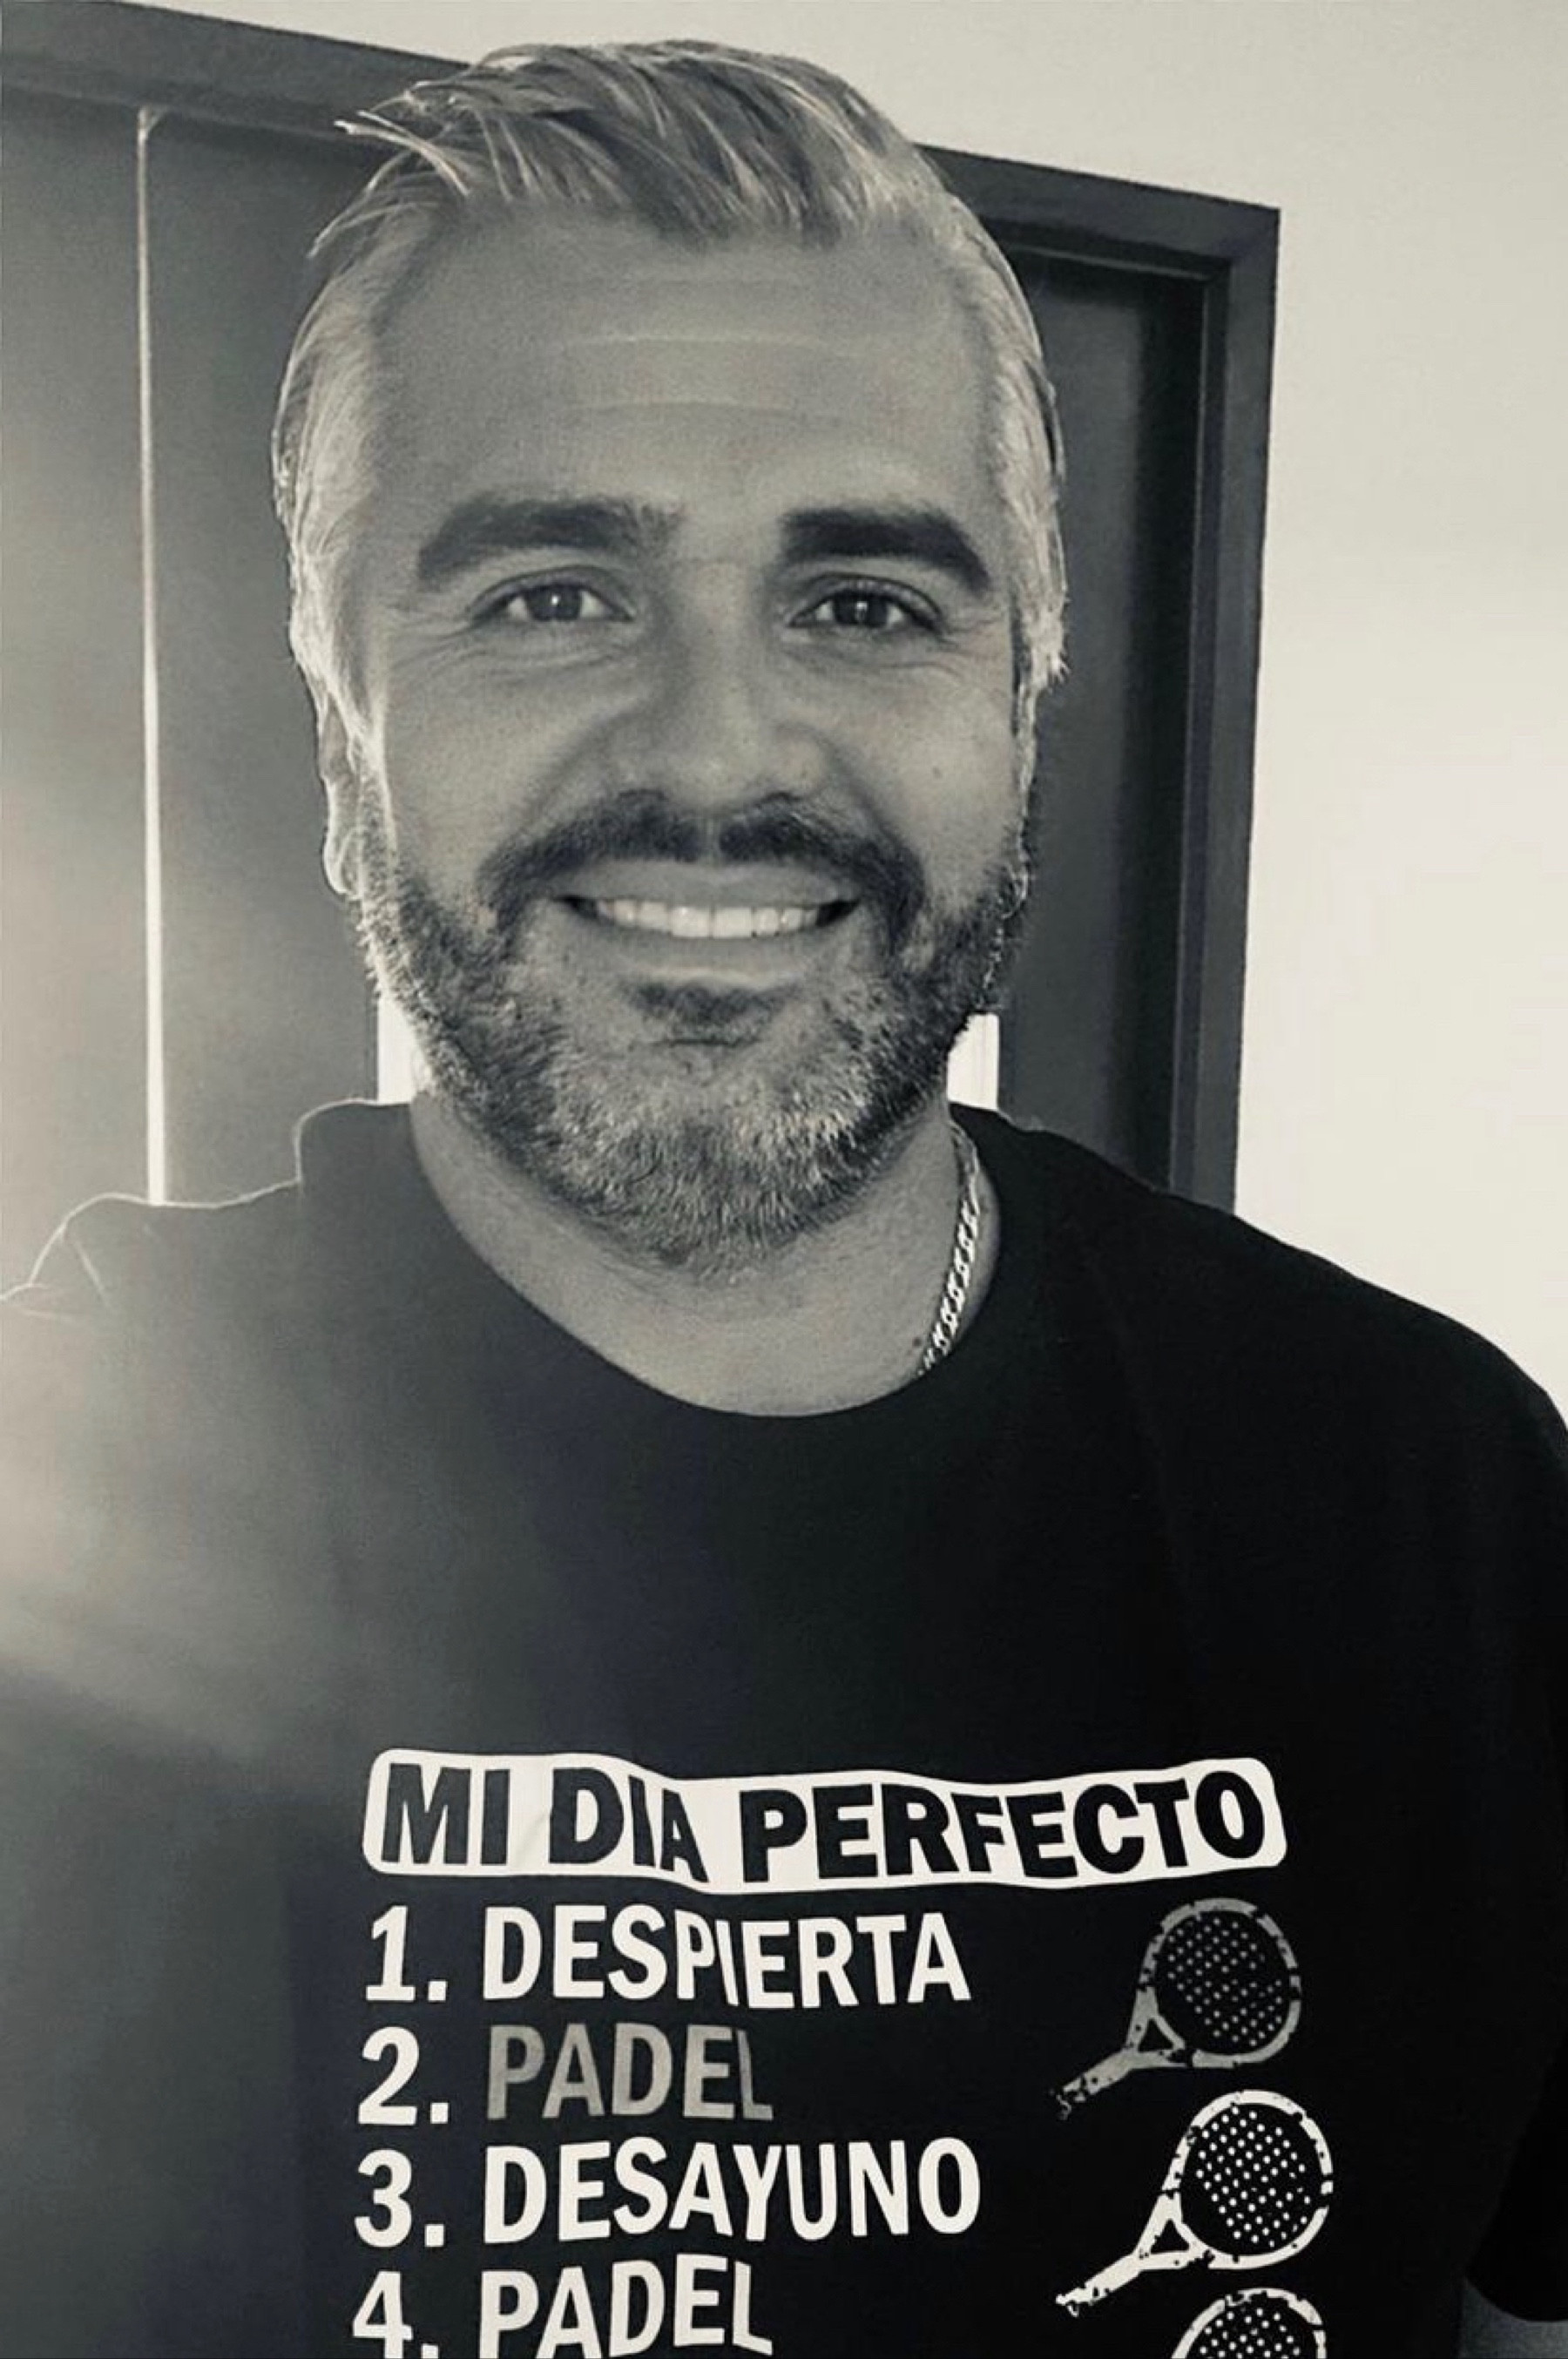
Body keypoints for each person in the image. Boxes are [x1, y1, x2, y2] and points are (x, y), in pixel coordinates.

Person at [2, 38, 1564, 2359]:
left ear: (1023, 700)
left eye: (868, 603)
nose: (718, 753)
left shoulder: (1434, 1494)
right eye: (551, 593)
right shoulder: (59, 1517)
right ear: (344, 726)